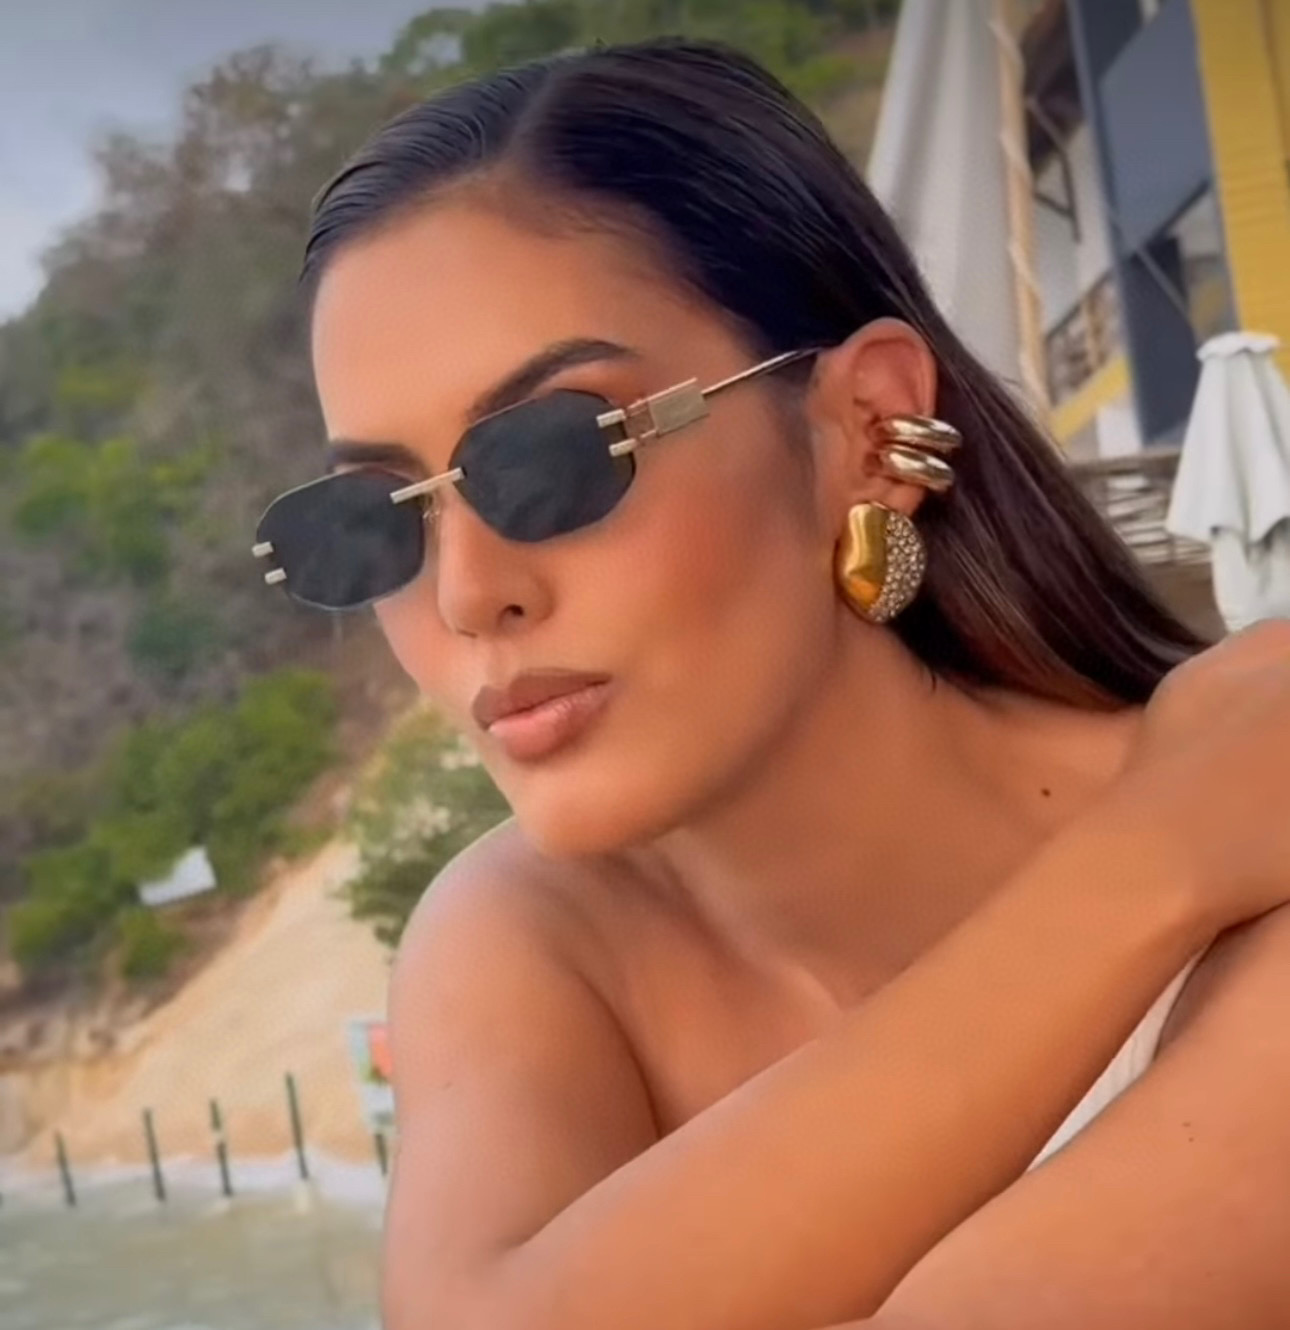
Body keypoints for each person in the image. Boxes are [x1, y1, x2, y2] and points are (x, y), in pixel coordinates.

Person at [255, 39, 1290, 1330]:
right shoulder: (527, 937)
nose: (467, 594)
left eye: (558, 454)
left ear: (865, 429)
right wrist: (1151, 863)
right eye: (370, 522)